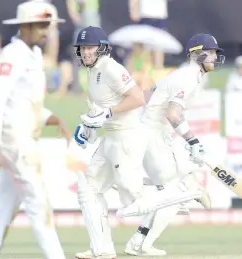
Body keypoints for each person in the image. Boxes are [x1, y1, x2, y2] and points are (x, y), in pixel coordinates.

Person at [72, 26, 201, 259]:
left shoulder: (111, 68)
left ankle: (185, 191)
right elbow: (98, 109)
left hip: (127, 137)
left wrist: (107, 114)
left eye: (90, 48)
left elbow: (138, 98)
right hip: (109, 138)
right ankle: (101, 249)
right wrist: (87, 127)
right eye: (82, 49)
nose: (85, 53)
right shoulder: (91, 73)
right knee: (88, 189)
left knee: (132, 202)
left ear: (102, 48)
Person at [0, 1, 70, 259]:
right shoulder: (11, 55)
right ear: (25, 26)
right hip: (14, 143)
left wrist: (53, 118)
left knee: (3, 211)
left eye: (48, 26)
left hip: (25, 139)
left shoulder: (35, 55)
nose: (46, 31)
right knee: (40, 205)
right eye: (41, 25)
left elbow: (26, 102)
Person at [122, 33, 225, 256]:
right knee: (173, 196)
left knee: (166, 194)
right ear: (197, 54)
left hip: (153, 135)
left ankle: (137, 241)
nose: (215, 58)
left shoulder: (180, 75)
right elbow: (172, 113)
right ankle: (144, 244)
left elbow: (147, 95)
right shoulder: (187, 77)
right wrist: (192, 140)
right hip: (153, 137)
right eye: (212, 53)